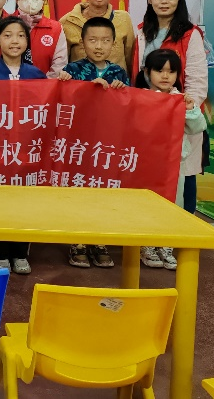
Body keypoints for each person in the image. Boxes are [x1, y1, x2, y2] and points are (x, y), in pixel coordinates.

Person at [58, 16, 129, 269]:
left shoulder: (119, 72)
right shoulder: (73, 69)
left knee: (103, 191)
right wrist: (69, 84)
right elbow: (61, 99)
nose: (99, 46)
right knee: (79, 189)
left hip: (107, 144)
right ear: (82, 42)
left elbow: (129, 105)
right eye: (93, 40)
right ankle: (77, 240)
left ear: (114, 44)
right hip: (78, 144)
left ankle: (100, 239)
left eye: (105, 41)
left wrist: (119, 90)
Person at [134, 0, 207, 214]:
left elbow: (197, 81)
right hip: (147, 117)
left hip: (178, 117)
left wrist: (183, 108)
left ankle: (183, 230)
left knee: (183, 174)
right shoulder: (142, 31)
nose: (164, 1)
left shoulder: (190, 34)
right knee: (149, 173)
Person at [0, 16, 45, 274]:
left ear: (27, 41)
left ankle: (20, 252)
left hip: (26, 148)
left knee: (24, 200)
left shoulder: (36, 75)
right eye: (7, 35)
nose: (14, 41)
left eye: (20, 35)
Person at [135, 49, 207, 271]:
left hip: (174, 164)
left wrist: (191, 109)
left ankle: (166, 246)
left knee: (173, 204)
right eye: (159, 70)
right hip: (147, 163)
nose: (165, 76)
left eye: (171, 71)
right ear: (147, 72)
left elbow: (198, 127)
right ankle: (146, 245)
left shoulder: (180, 100)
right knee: (146, 205)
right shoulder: (139, 98)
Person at [60, 0, 135, 74]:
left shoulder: (124, 19)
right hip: (81, 82)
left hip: (116, 82)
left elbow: (130, 58)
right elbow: (62, 62)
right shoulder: (67, 21)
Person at [12, 0, 68, 78]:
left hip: (45, 86)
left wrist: (43, 85)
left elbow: (59, 65)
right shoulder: (5, 24)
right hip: (9, 84)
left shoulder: (55, 28)